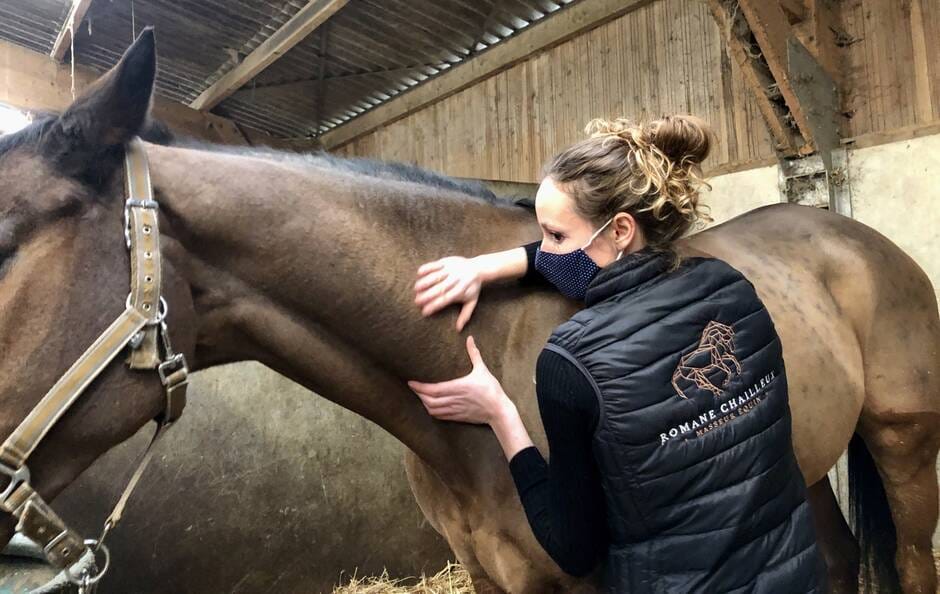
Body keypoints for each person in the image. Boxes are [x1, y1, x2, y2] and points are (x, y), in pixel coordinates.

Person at [407, 116, 827, 593]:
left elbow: (574, 550)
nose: (546, 251)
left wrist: (501, 413)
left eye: (556, 236)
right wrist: (492, 264)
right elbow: (584, 264)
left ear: (622, 229)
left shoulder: (572, 362)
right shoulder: (736, 291)